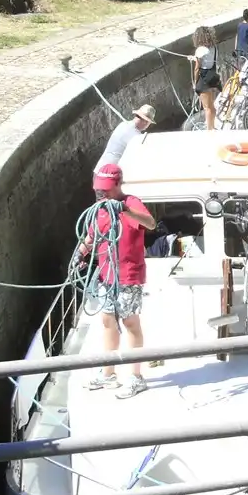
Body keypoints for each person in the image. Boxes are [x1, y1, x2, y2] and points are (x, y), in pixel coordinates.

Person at [78, 164, 157, 398]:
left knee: (130, 323)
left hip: (128, 276)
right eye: (99, 191)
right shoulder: (98, 210)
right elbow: (92, 237)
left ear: (118, 186)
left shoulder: (131, 203)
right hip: (105, 276)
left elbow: (150, 223)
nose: (102, 195)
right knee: (107, 322)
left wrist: (123, 209)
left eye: (106, 190)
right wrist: (80, 254)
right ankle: (108, 373)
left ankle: (136, 377)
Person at [94, 105, 155, 172]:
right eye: (149, 123)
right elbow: (140, 158)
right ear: (146, 122)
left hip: (99, 169)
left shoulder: (122, 125)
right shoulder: (137, 137)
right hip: (111, 174)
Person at [192, 25, 221, 129]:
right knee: (212, 107)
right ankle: (212, 127)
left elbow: (197, 68)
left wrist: (195, 82)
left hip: (204, 79)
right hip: (212, 76)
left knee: (207, 108)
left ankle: (209, 130)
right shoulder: (214, 47)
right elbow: (209, 61)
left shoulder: (200, 49)